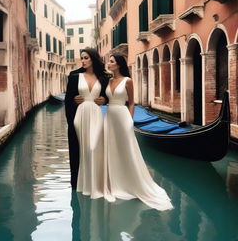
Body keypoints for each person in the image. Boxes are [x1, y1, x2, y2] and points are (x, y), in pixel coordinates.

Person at [103, 54, 173, 210]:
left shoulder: (128, 81)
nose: (109, 63)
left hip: (122, 116)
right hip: (109, 117)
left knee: (126, 149)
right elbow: (107, 101)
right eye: (110, 61)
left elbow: (132, 102)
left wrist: (130, 120)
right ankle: (114, 182)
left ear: (119, 64)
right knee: (112, 149)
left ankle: (130, 182)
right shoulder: (109, 81)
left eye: (112, 61)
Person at [65, 48, 109, 194]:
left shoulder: (103, 78)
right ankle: (78, 183)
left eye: (86, 58)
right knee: (79, 150)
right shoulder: (74, 76)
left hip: (96, 116)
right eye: (81, 58)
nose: (82, 61)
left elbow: (109, 96)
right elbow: (67, 100)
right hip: (79, 117)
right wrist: (73, 100)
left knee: (93, 147)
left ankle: (95, 182)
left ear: (93, 59)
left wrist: (105, 100)